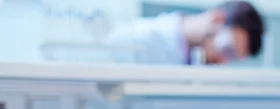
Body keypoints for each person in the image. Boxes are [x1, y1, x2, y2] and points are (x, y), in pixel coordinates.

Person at [107, 1, 265, 65]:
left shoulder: (191, 61)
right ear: (217, 19)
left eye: (232, 57)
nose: (222, 60)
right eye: (227, 48)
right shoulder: (138, 39)